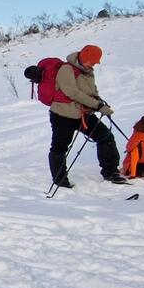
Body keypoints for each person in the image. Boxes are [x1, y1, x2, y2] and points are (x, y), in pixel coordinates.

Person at [47, 44, 125, 186]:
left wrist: (99, 101)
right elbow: (72, 93)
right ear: (84, 57)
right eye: (93, 60)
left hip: (83, 114)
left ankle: (111, 172)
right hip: (62, 115)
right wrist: (98, 106)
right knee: (60, 147)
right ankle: (60, 181)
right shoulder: (66, 69)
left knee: (106, 136)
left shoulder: (87, 71)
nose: (95, 64)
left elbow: (91, 91)